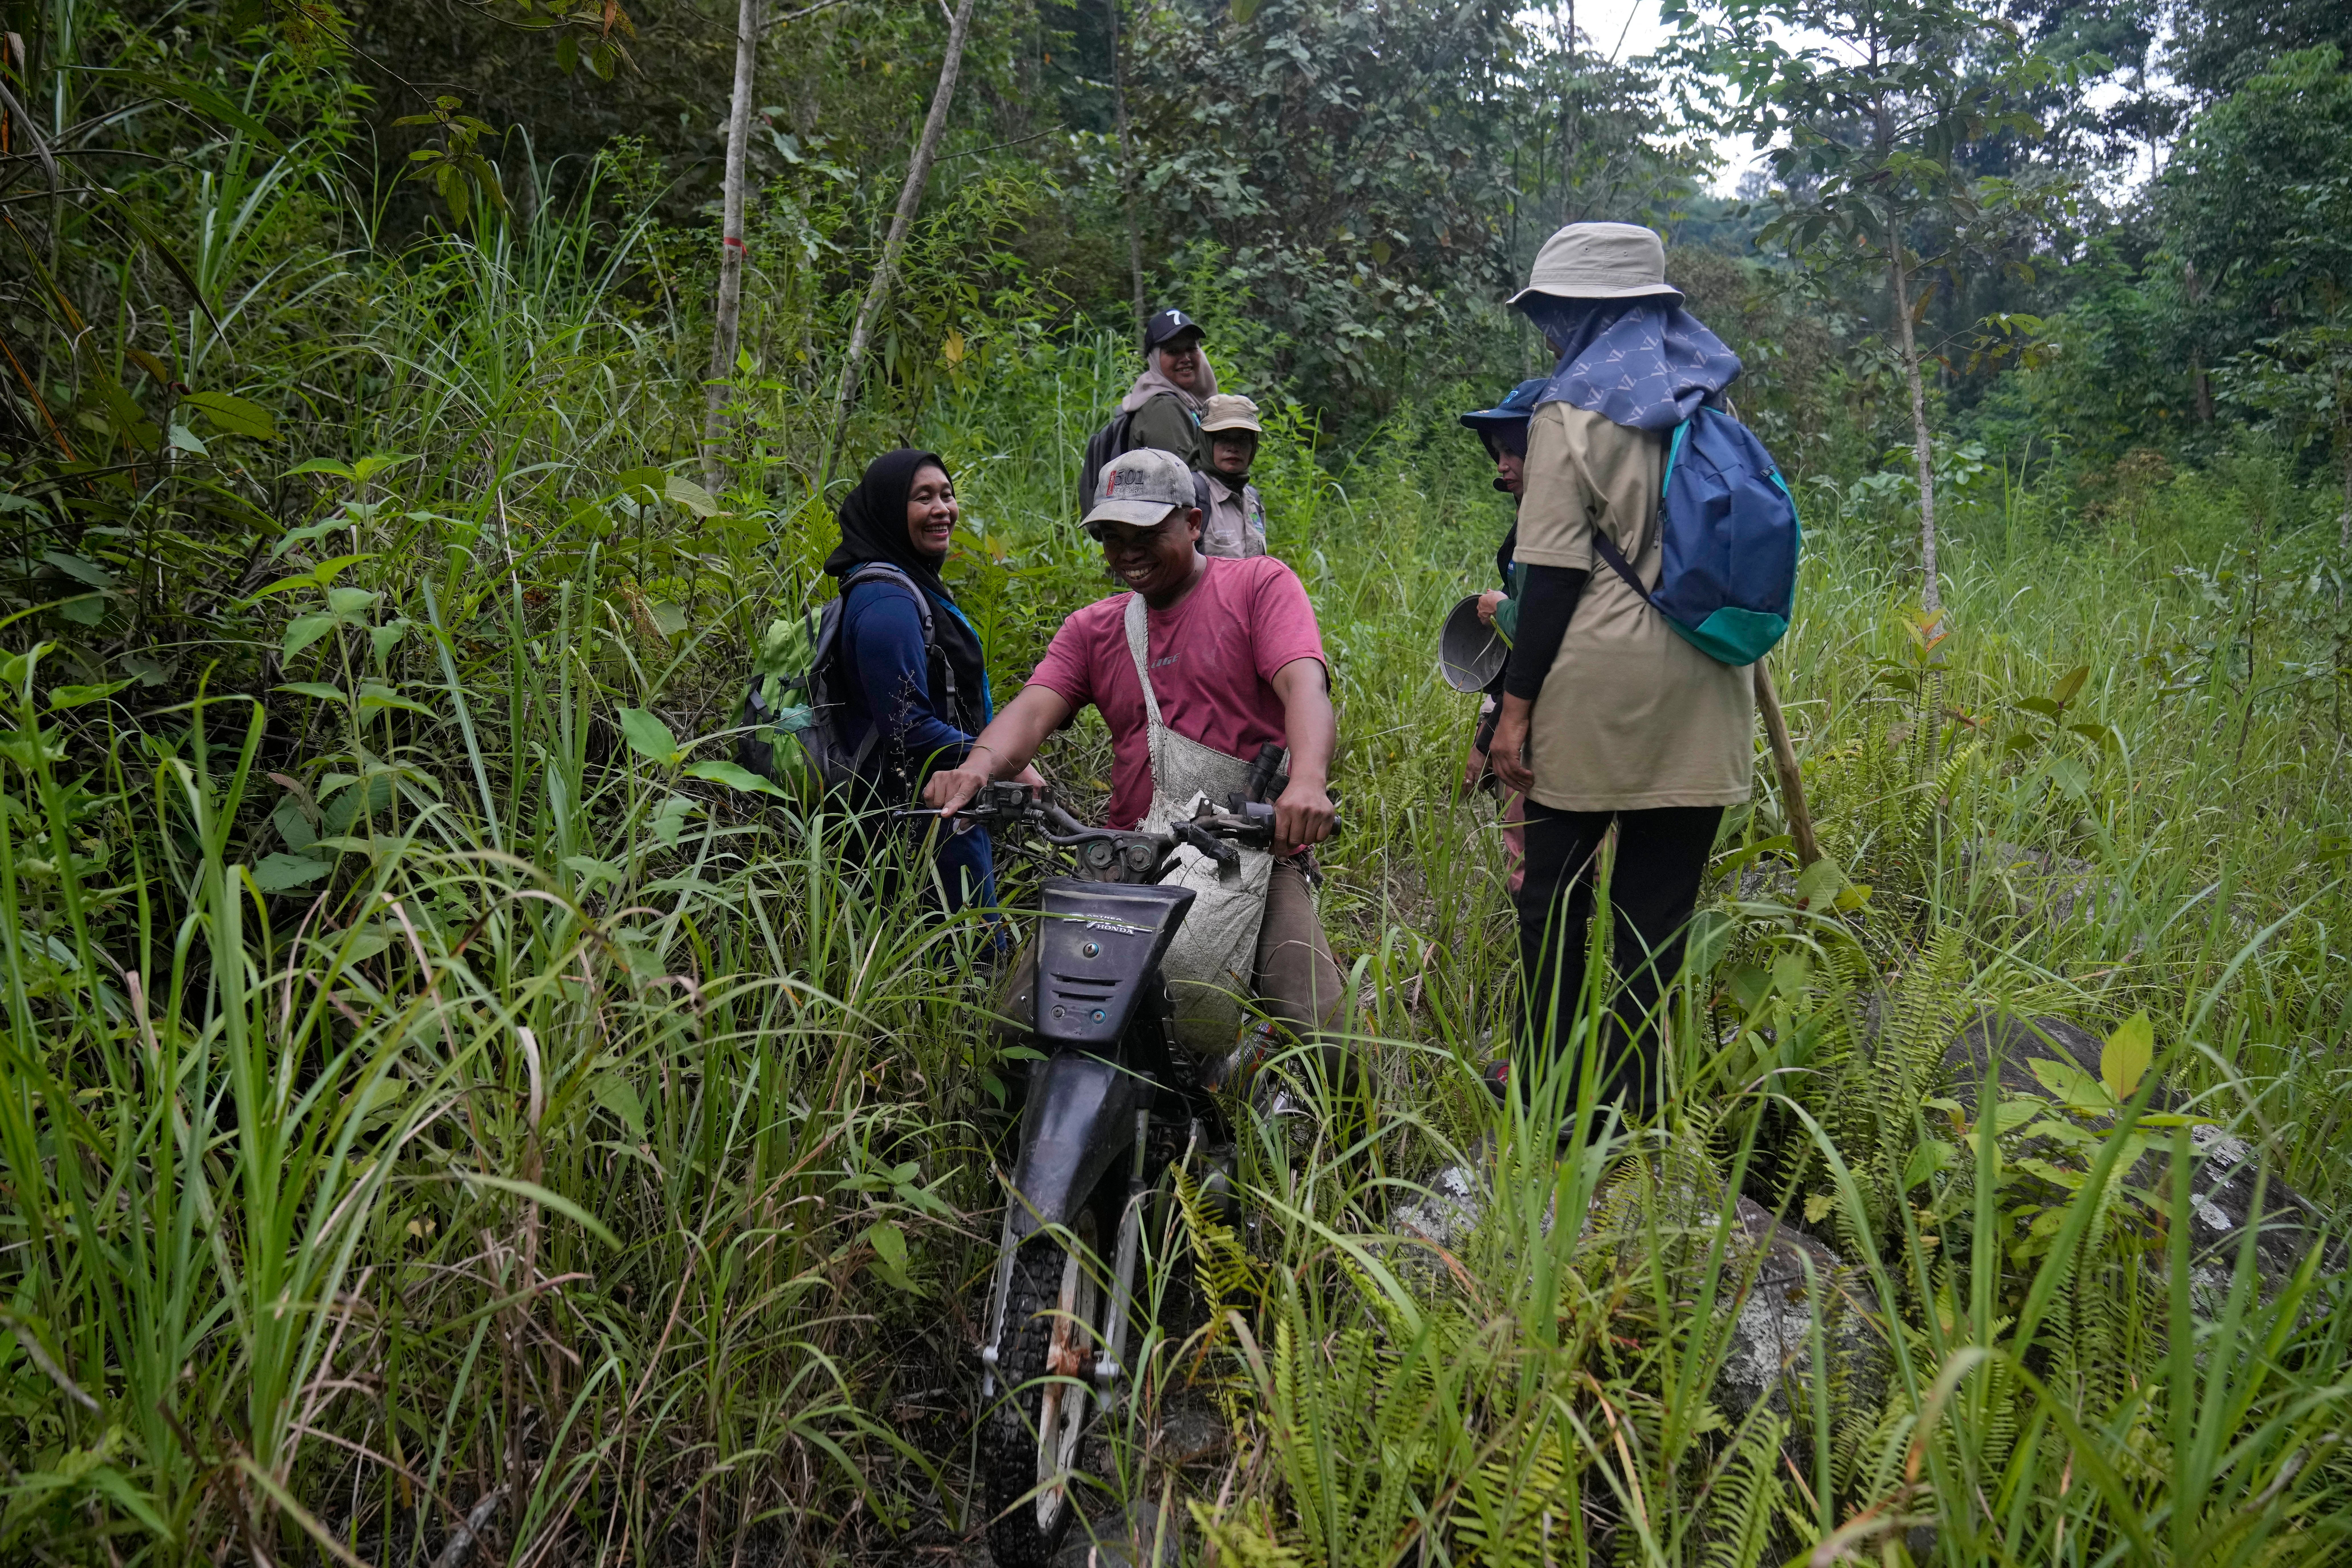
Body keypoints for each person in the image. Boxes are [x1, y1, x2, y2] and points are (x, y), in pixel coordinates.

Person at [923, 447, 1343, 1057]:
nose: (1126, 552)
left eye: (1145, 531)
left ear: (1193, 522)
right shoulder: (1093, 629)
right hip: (1129, 853)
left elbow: (1303, 683)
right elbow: (1032, 709)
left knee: (1332, 1041)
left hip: (1249, 850)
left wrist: (1306, 780)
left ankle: (1343, 1145)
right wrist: (976, 768)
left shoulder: (1258, 586)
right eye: (1111, 536)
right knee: (1015, 1034)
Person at [1483, 221, 1753, 1120]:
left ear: (1584, 311)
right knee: (1653, 920)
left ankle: (1551, 1109)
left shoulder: (1567, 410)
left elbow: (1552, 574)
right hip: (1709, 691)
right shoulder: (1706, 399)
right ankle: (1631, 1114)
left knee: (1552, 903)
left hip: (1595, 693)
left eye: (1556, 313)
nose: (1550, 331)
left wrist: (1513, 708)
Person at [828, 448, 1041, 914]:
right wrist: (998, 758)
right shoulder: (886, 603)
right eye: (922, 498)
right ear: (888, 509)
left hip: (946, 804)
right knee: (967, 958)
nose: (942, 508)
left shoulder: (910, 584)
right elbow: (907, 728)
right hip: (916, 818)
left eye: (946, 494)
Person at [1456, 376, 1548, 894]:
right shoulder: (1533, 516)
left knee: (1538, 845)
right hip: (1533, 697)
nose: (1502, 465)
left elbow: (1546, 625)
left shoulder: (1551, 524)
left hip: (1553, 706)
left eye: (1513, 450)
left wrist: (1502, 608)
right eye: (1498, 452)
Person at [1119, 308, 1216, 471]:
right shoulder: (1164, 406)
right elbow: (1183, 479)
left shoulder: (1187, 401)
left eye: (1191, 349)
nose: (1185, 359)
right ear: (1155, 359)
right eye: (1173, 351)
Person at [1198, 393, 1269, 558]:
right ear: (1207, 442)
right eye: (1223, 438)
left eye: (1243, 439)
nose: (1233, 448)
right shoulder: (1193, 496)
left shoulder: (1253, 500)